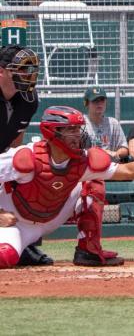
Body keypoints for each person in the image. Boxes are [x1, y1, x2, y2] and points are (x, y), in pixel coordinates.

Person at [0, 105, 134, 269]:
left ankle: (89, 250)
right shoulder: (26, 157)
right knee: (5, 258)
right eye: (71, 129)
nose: (77, 135)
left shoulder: (82, 160)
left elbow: (125, 170)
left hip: (53, 216)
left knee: (94, 181)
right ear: (52, 132)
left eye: (78, 129)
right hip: (16, 222)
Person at [0, 44, 53, 266]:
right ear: (1, 71)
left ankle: (23, 244)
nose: (27, 76)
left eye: (29, 70)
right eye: (19, 70)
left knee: (30, 166)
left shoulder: (29, 99)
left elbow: (16, 143)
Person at [83, 86, 129, 163]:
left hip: (110, 167)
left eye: (102, 100)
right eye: (95, 101)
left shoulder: (113, 123)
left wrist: (115, 154)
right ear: (86, 103)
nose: (99, 104)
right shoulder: (81, 123)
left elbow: (124, 149)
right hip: (87, 167)